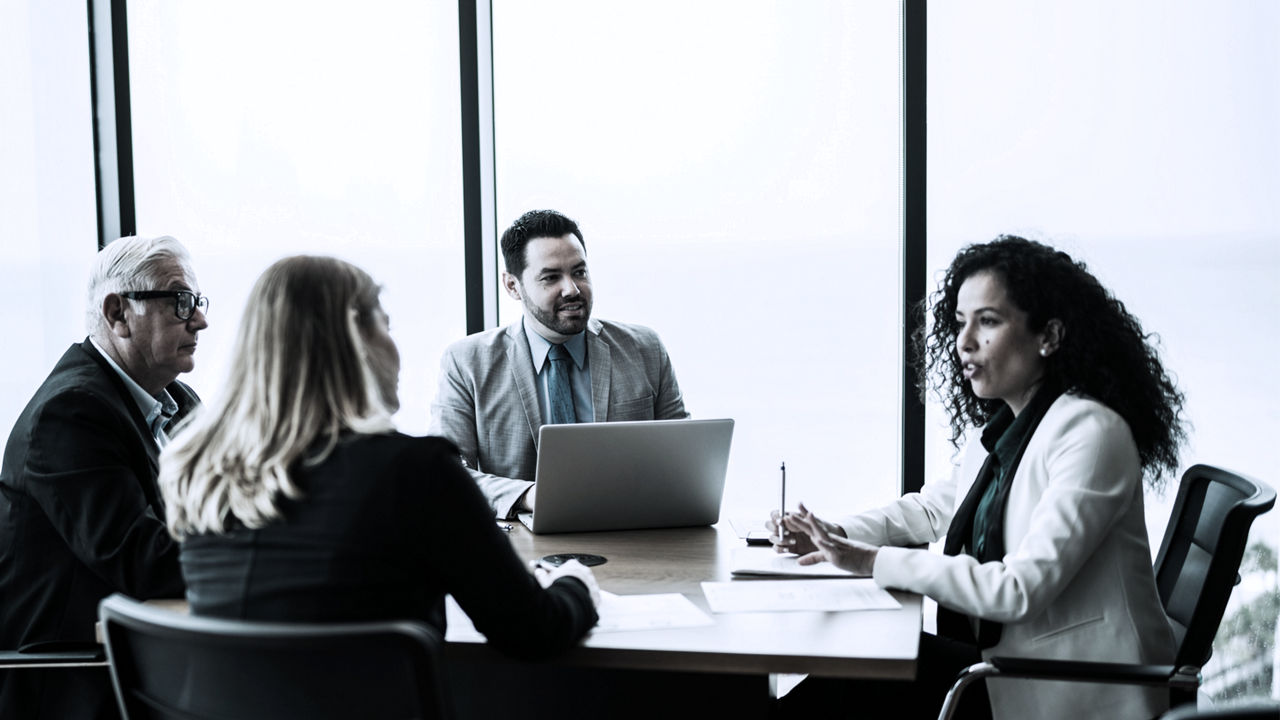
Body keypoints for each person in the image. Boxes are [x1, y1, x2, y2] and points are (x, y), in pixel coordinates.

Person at [771, 236, 1184, 720]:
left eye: (987, 322)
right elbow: (930, 510)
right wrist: (834, 534)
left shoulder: (1090, 433)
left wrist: (869, 562)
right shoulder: (1009, 427)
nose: (964, 342)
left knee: (849, 685)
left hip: (1063, 690)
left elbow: (1016, 590)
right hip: (1003, 669)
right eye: (960, 323)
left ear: (1048, 336)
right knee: (849, 670)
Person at [160, 256, 598, 660]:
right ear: (359, 343)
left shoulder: (199, 469)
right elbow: (534, 631)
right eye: (385, 325)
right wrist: (575, 583)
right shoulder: (415, 473)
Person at [0, 235, 208, 719]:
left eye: (196, 302)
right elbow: (143, 563)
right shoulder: (70, 413)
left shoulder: (180, 405)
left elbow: (227, 506)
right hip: (74, 680)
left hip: (146, 658)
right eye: (180, 302)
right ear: (118, 313)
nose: (200, 319)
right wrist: (261, 556)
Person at [430, 209, 688, 518]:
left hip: (633, 534)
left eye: (579, 272)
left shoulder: (645, 348)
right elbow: (445, 475)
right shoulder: (467, 361)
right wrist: (528, 495)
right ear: (512, 286)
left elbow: (685, 459)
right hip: (521, 548)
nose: (572, 289)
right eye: (551, 277)